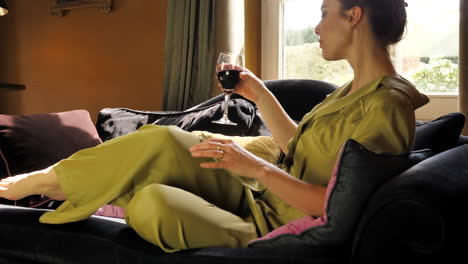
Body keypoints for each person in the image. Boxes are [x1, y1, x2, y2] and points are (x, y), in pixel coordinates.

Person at [0, 0, 428, 253]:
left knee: (152, 201)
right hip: (257, 199)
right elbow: (303, 150)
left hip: (271, 226)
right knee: (163, 140)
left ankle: (48, 191)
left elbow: (336, 207)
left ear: (354, 16)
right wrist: (261, 96)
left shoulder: (387, 106)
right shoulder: (349, 90)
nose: (317, 27)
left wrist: (255, 167)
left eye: (323, 13)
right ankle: (34, 185)